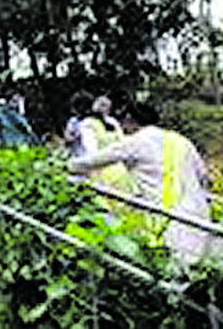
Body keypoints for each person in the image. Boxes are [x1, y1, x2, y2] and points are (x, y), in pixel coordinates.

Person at [70, 103, 211, 265]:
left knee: (176, 272)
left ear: (130, 120)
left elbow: (90, 162)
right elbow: (204, 176)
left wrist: (63, 166)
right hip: (199, 215)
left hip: (171, 221)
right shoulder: (180, 140)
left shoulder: (136, 142)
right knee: (198, 269)